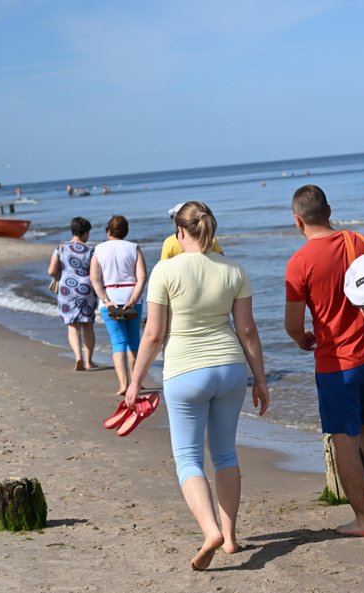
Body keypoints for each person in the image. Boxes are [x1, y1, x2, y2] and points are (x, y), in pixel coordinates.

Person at [125, 201, 269, 571]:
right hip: (230, 368)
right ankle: (231, 536)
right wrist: (261, 379)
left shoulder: (165, 271)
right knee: (225, 453)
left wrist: (135, 381)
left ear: (180, 231)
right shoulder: (235, 269)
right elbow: (248, 331)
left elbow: (154, 334)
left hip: (186, 371)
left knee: (188, 457)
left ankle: (210, 532)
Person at [283, 184, 364, 537]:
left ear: (297, 221)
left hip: (338, 364)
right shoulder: (360, 242)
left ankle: (363, 521)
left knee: (344, 438)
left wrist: (302, 339)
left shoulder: (299, 263)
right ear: (329, 211)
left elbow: (292, 324)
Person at [90, 215, 147, 395]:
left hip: (110, 297)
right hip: (132, 297)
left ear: (109, 231)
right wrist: (132, 299)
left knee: (118, 342)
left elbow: (95, 279)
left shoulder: (99, 250)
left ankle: (123, 384)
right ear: (126, 231)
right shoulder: (133, 248)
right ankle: (136, 382)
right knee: (134, 340)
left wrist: (106, 300)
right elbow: (142, 277)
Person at [47, 217, 98, 371]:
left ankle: (78, 358)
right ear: (85, 233)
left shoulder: (61, 248)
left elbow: (51, 271)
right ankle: (89, 361)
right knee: (88, 325)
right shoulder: (91, 250)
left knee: (72, 327)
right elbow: (95, 273)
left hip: (67, 291)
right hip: (86, 289)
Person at [160, 202, 224, 260]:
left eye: (172, 216)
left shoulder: (169, 242)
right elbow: (221, 257)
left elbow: (163, 262)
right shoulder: (210, 239)